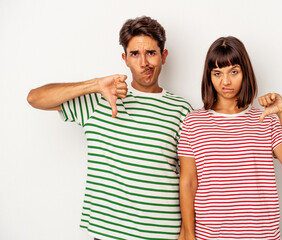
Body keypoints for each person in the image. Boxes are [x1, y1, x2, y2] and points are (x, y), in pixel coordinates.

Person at [27, 16, 192, 240]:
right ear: (125, 58)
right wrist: (94, 85)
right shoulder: (99, 99)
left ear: (164, 56)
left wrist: (186, 232)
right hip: (108, 232)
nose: (144, 62)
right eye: (135, 54)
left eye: (151, 53)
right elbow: (35, 98)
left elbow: (191, 178)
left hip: (163, 232)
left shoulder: (181, 109)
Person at [178, 36, 282, 239]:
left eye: (234, 72)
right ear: (209, 76)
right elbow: (188, 182)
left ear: (245, 73)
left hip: (260, 234)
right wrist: (188, 234)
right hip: (209, 234)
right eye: (217, 73)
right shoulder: (194, 122)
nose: (226, 81)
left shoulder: (265, 119)